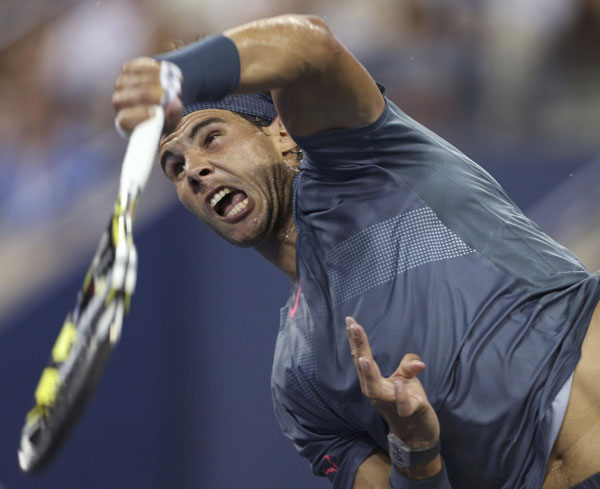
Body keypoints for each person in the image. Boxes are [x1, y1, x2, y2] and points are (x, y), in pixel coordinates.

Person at [111, 14, 600, 489]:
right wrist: (415, 448)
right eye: (174, 166)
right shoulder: (299, 381)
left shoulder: (364, 158)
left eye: (211, 138)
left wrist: (176, 74)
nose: (194, 169)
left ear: (281, 134)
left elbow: (310, 46)